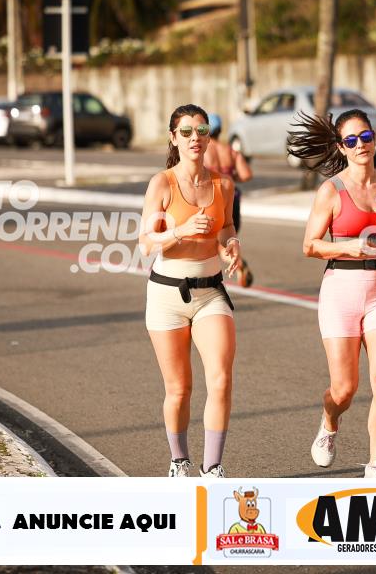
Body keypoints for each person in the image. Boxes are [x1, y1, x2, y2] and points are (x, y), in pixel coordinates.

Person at [288, 108, 376, 478]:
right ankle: (329, 422)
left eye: (366, 137)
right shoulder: (331, 191)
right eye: (351, 140)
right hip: (340, 291)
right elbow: (310, 246)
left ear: (374, 139)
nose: (360, 144)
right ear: (341, 147)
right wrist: (348, 247)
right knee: (344, 389)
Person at [139, 104, 242, 478]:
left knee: (221, 380)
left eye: (201, 130)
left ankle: (212, 467)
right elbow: (145, 243)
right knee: (179, 389)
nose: (194, 138)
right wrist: (180, 231)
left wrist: (231, 244)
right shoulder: (162, 184)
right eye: (186, 132)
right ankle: (178, 460)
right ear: (174, 138)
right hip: (167, 295)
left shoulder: (223, 185)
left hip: (210, 293)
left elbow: (226, 226)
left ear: (209, 136)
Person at [203, 113, 254, 286]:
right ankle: (237, 264)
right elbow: (246, 174)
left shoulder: (202, 150)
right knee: (227, 239)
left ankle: (236, 264)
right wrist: (230, 178)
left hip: (213, 198)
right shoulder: (231, 151)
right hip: (232, 198)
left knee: (213, 244)